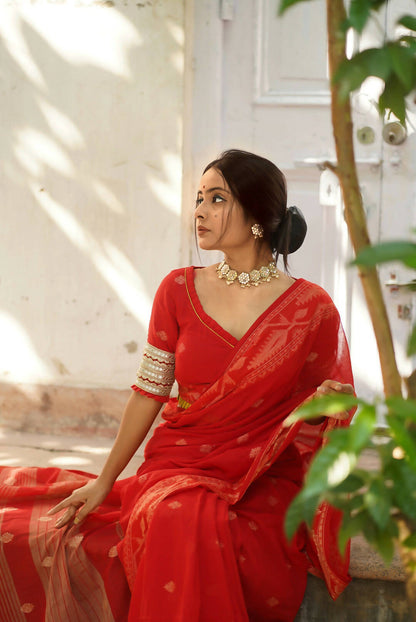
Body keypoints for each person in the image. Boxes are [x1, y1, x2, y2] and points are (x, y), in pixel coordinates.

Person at [0, 149, 355, 622]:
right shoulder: (178, 289)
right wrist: (105, 482)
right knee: (177, 512)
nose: (200, 212)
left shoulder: (311, 309)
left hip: (258, 476)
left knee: (191, 519)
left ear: (258, 215)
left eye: (216, 199)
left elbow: (325, 414)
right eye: (198, 199)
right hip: (178, 462)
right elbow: (149, 390)